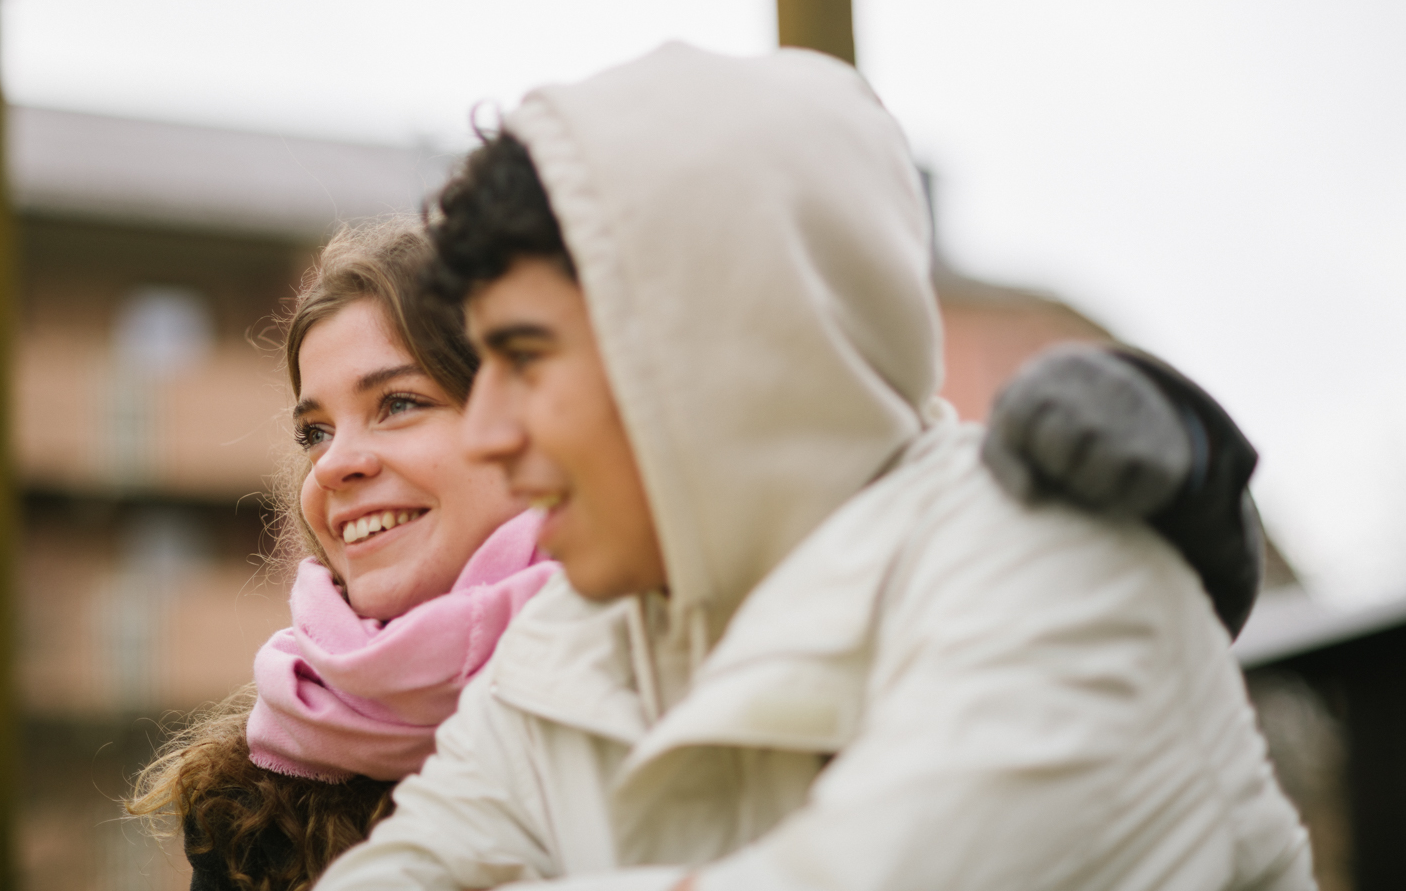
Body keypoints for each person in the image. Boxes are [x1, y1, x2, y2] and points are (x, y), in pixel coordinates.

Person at [315, 44, 1313, 890]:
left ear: (708, 342)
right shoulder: (560, 654)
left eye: (526, 357)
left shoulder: (1054, 567)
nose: (487, 430)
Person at [127, 223, 557, 891]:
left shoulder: (656, 678)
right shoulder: (250, 799)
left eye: (399, 403)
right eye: (315, 432)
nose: (331, 465)